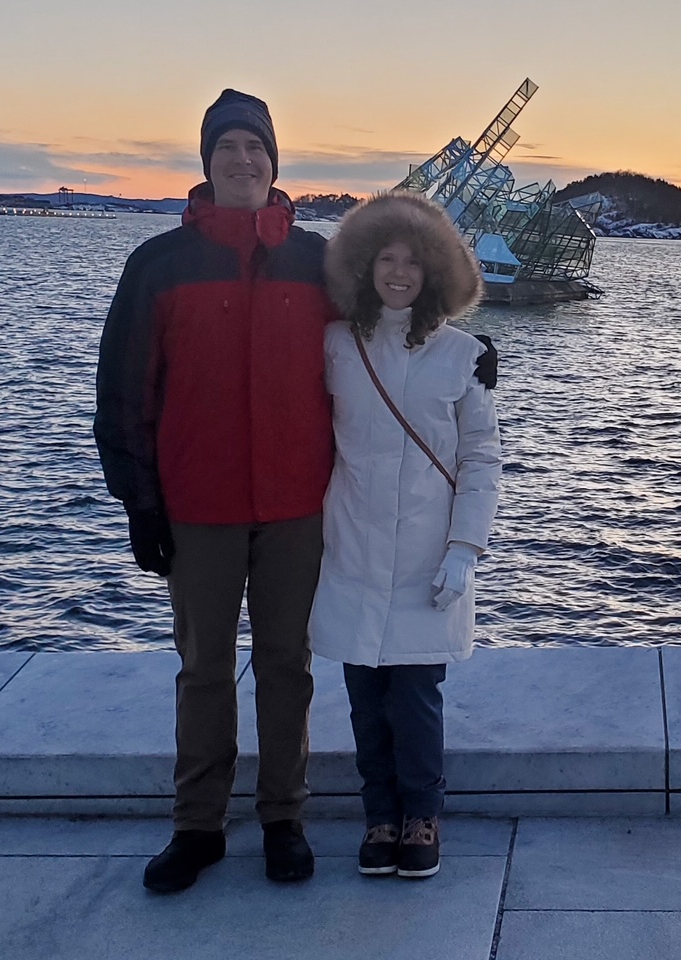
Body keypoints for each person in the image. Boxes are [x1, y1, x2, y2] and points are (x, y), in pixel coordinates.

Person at [94, 89, 336, 894]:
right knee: (202, 670)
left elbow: (397, 330)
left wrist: (466, 349)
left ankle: (283, 820)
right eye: (227, 148)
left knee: (286, 666)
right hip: (196, 506)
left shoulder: (319, 261)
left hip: (298, 504)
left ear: (275, 163)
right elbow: (122, 398)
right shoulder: (157, 264)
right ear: (206, 163)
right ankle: (197, 828)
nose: (243, 161)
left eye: (255, 149)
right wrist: (141, 506)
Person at [308, 191, 502, 879]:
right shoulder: (334, 343)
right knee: (364, 696)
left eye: (412, 262)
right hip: (351, 545)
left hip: (427, 552)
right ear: (363, 265)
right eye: (385, 258)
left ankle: (422, 814)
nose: (398, 272)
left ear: (434, 272)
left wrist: (465, 549)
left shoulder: (464, 355)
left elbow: (480, 458)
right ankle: (379, 816)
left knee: (416, 696)